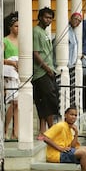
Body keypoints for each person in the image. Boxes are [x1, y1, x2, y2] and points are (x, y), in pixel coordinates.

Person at [41, 107, 86, 171]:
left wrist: (76, 133)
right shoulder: (60, 125)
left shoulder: (69, 127)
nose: (73, 117)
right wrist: (60, 148)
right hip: (56, 154)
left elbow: (72, 147)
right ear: (65, 115)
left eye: (75, 115)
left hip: (65, 151)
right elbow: (44, 138)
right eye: (71, 115)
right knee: (83, 153)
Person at [32, 7, 60, 135]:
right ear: (40, 17)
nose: (48, 20)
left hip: (50, 70)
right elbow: (35, 53)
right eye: (46, 17)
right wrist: (46, 68)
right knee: (47, 100)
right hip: (41, 72)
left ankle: (43, 130)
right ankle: (51, 129)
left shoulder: (45, 33)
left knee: (49, 100)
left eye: (50, 18)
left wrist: (51, 69)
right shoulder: (36, 32)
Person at [3, 12, 19, 140]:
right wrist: (11, 62)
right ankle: (5, 129)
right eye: (16, 26)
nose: (18, 29)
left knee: (18, 104)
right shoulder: (5, 41)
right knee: (13, 102)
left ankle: (15, 131)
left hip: (20, 73)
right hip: (9, 72)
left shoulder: (23, 40)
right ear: (10, 27)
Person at [68, 12, 82, 107]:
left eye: (79, 21)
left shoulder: (73, 32)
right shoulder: (67, 30)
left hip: (72, 64)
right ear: (71, 18)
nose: (77, 22)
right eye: (75, 19)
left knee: (72, 89)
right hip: (67, 64)